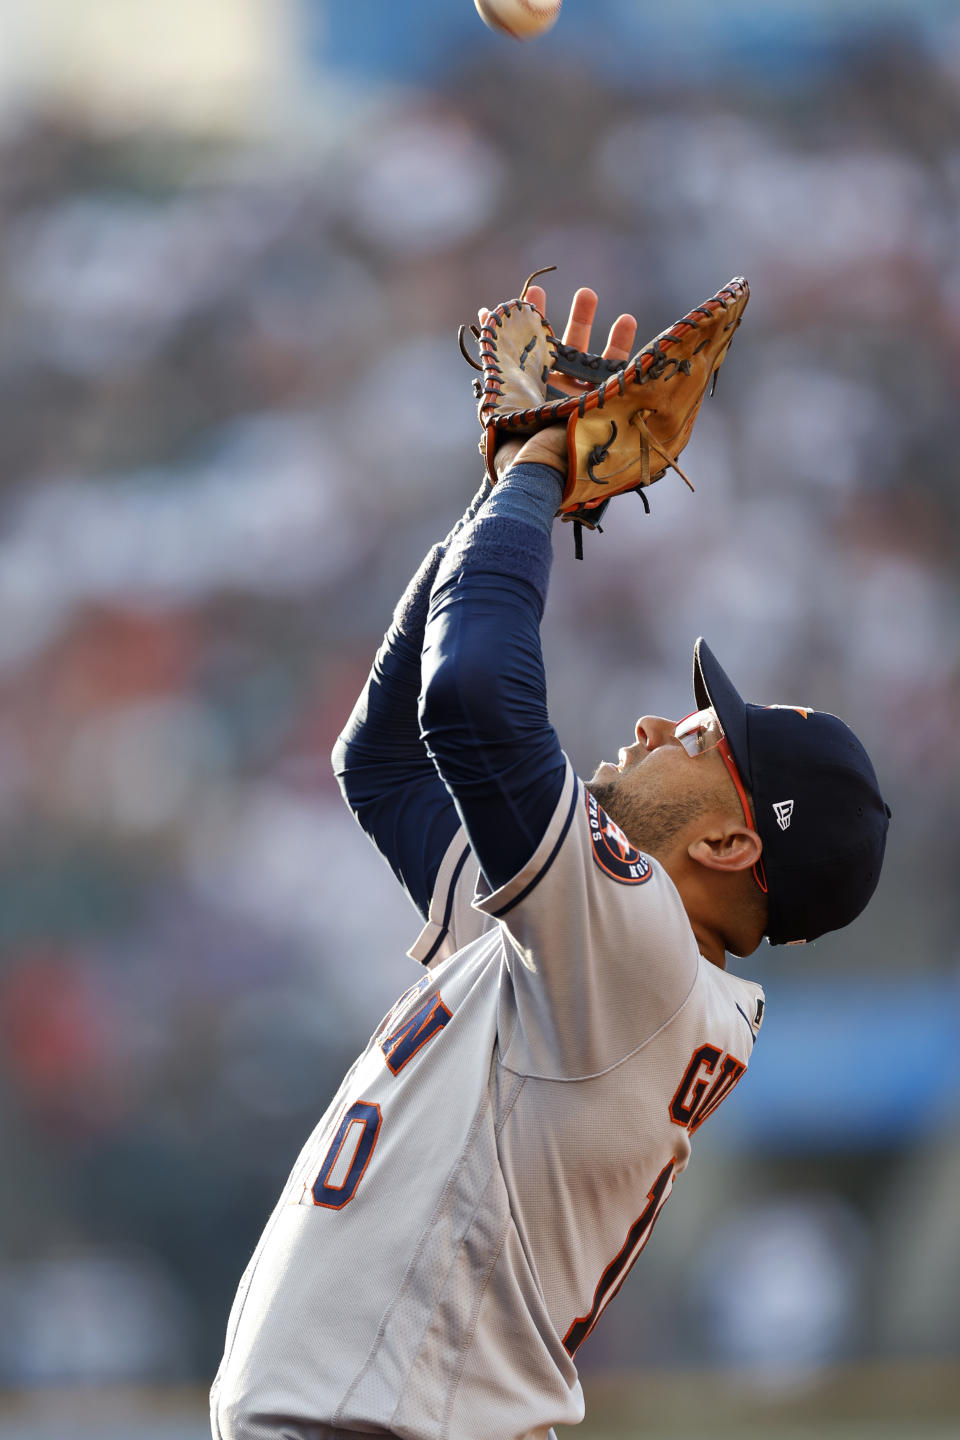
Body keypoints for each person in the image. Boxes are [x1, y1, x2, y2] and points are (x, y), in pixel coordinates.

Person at [210, 282, 890, 1440]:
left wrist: (536, 469)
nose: (649, 728)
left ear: (731, 842)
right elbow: (379, 765)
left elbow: (471, 698)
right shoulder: (591, 963)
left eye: (700, 738)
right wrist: (509, 484)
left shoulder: (635, 959)